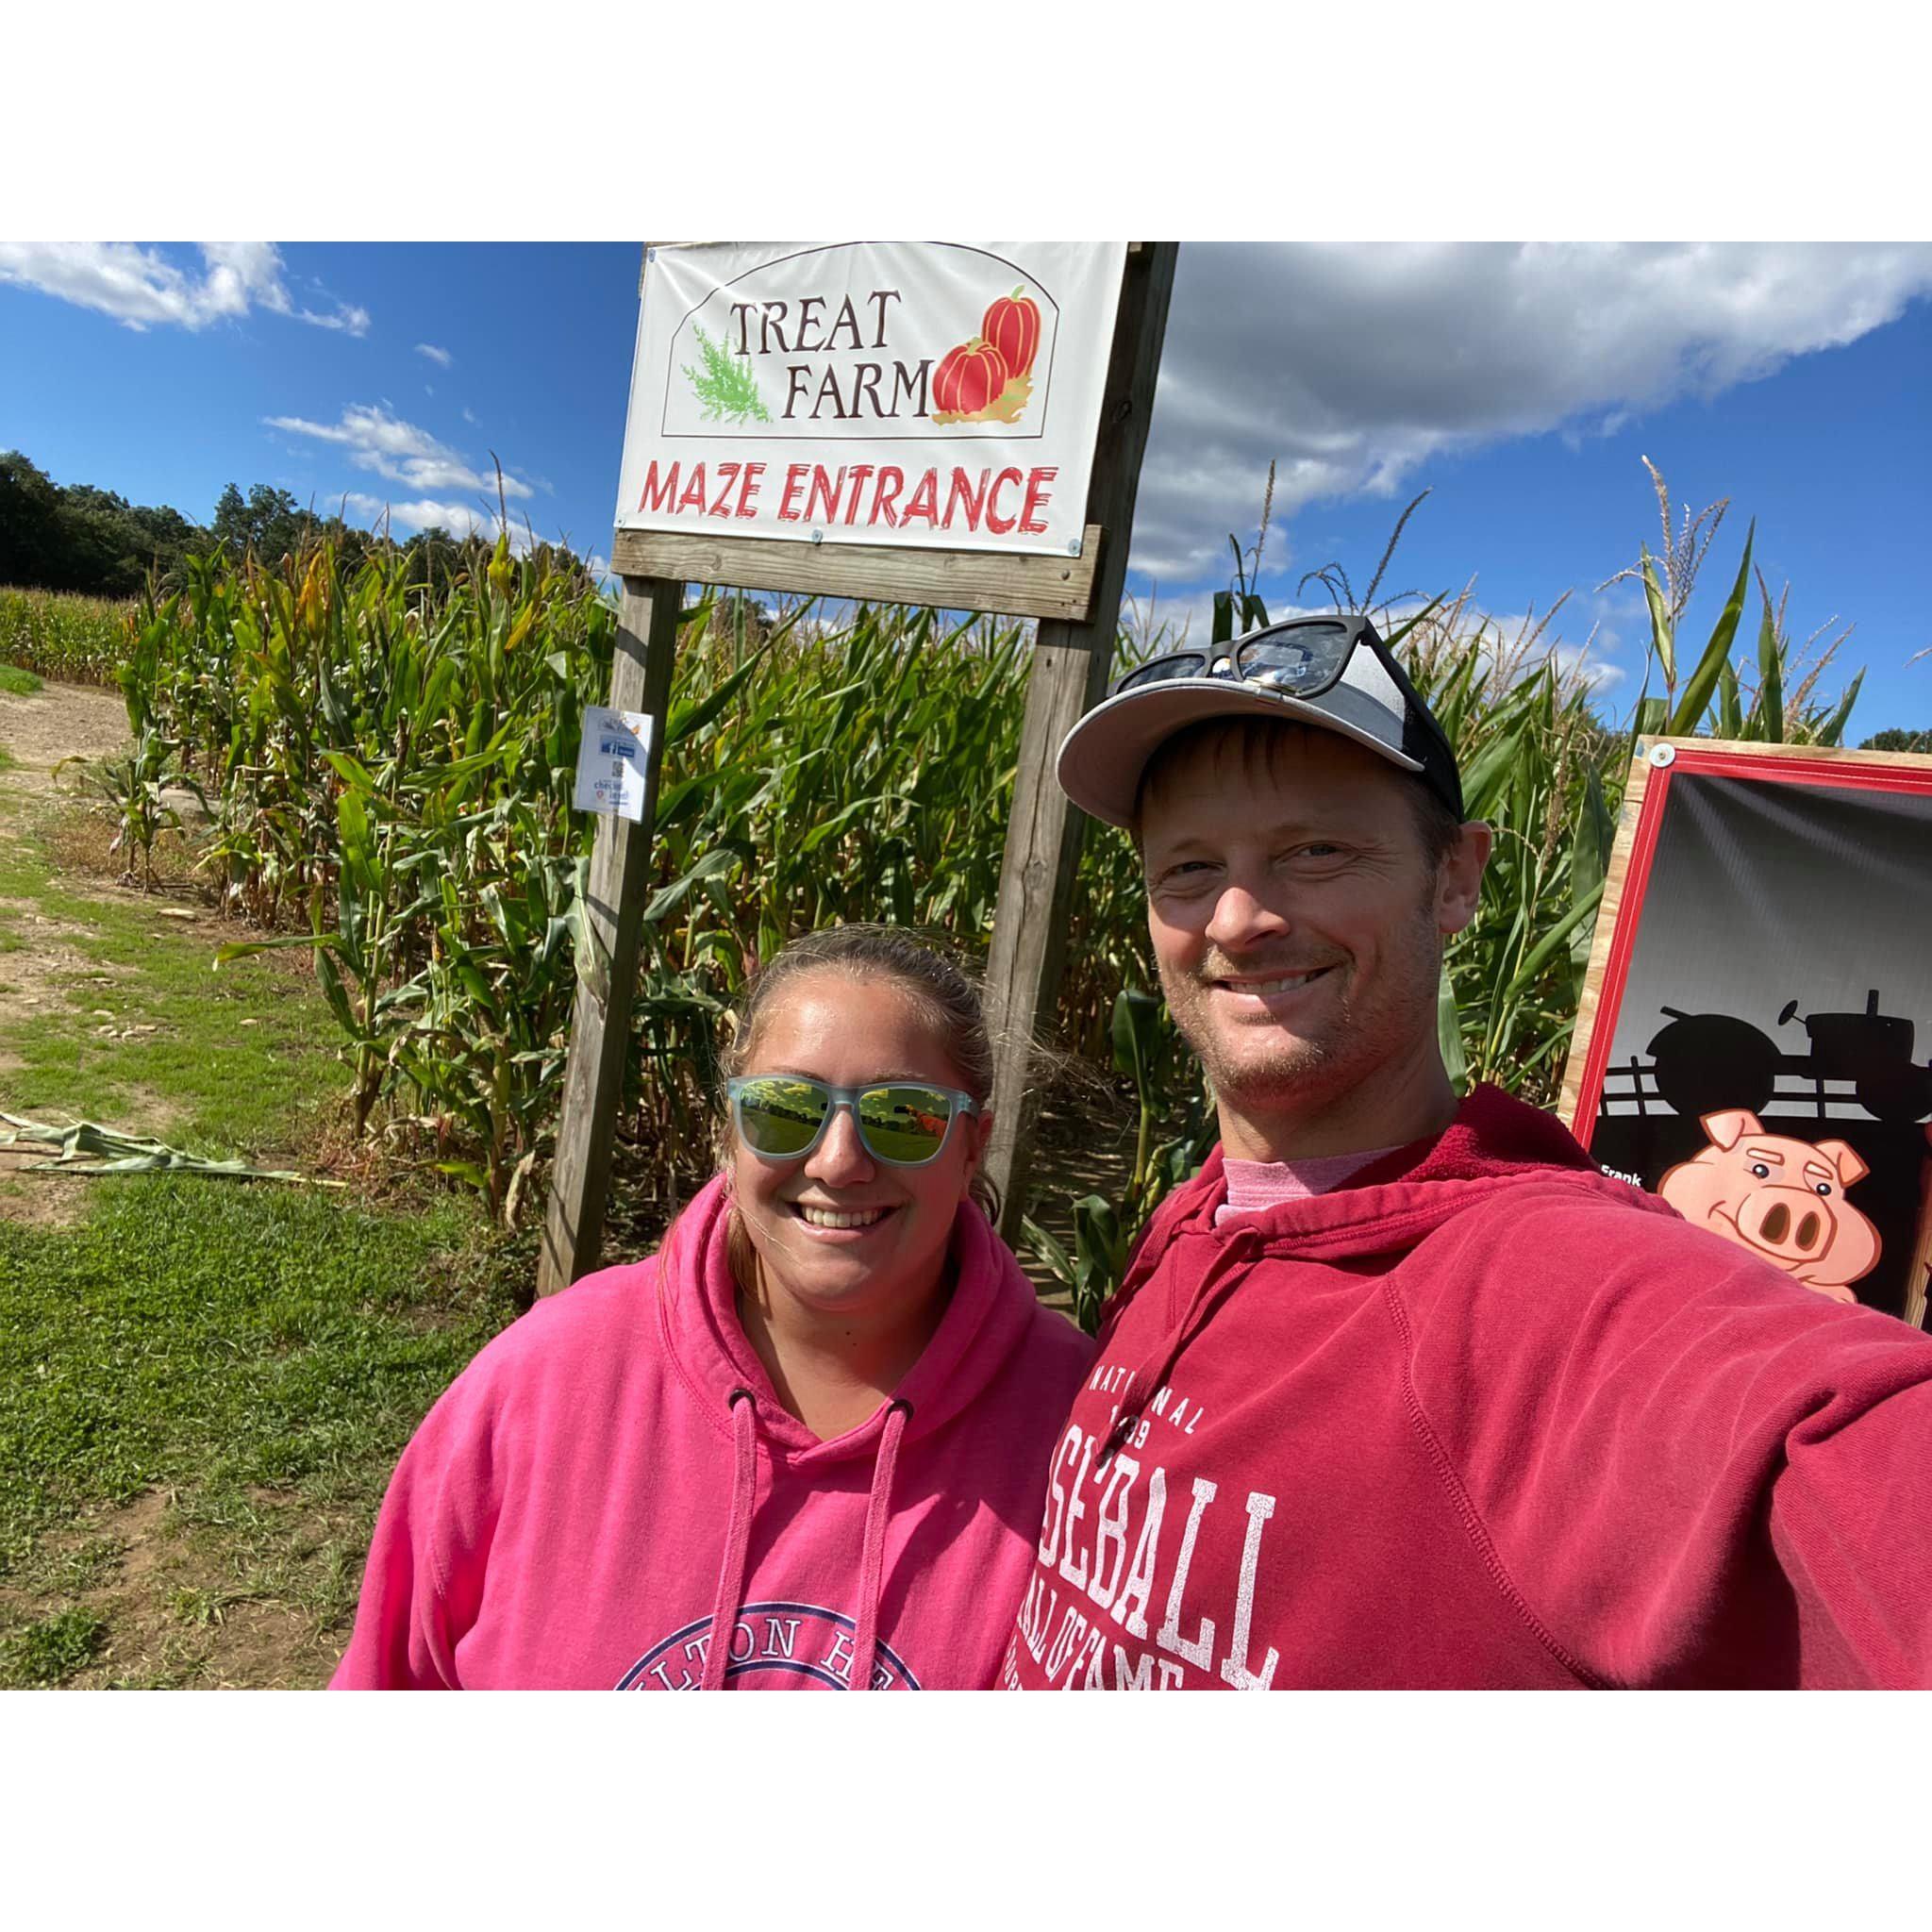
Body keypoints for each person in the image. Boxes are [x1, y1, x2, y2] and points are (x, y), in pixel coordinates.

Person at [1004, 612, 1932, 1690]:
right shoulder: (1192, 1217)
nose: (1239, 914)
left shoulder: (1554, 1293)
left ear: (1455, 878)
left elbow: (1834, 1448)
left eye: (1315, 851)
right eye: (1187, 868)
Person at [333, 925, 1092, 1690]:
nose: (839, 1161)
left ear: (971, 1148)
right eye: (785, 1108)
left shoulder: (1087, 1438)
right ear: (728, 1134)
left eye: (904, 1116)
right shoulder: (543, 1383)